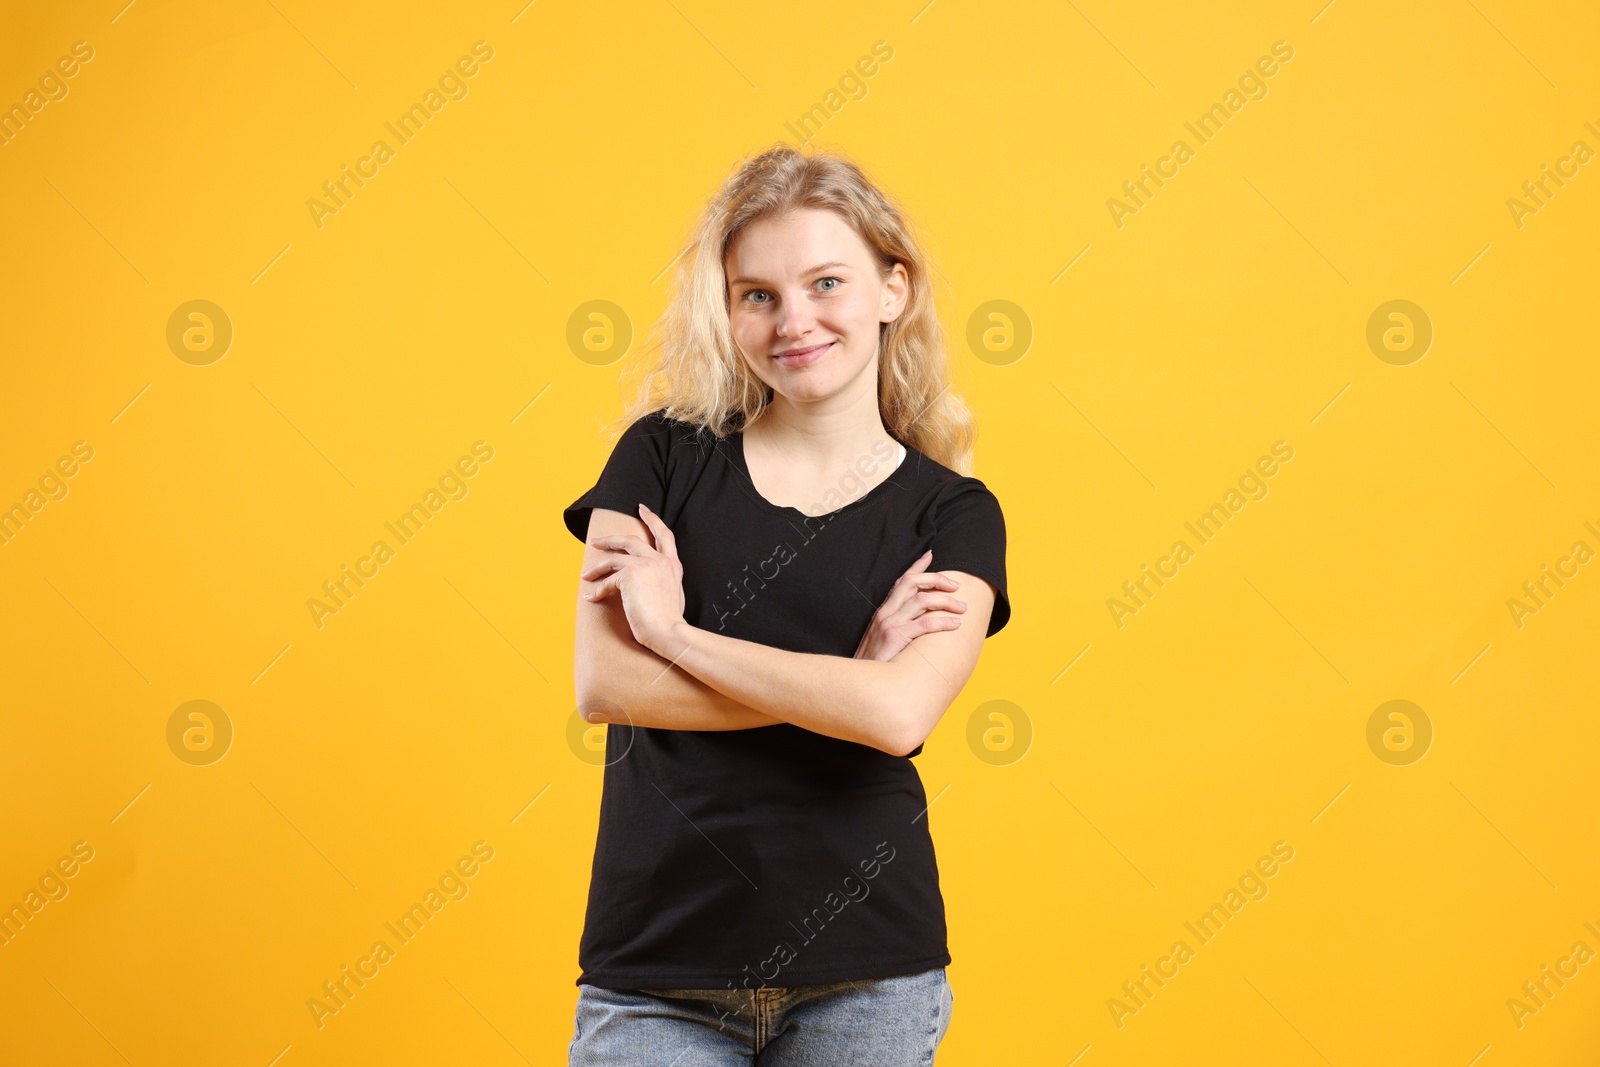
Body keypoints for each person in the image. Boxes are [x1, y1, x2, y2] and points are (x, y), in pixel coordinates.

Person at [561, 142, 1011, 1065]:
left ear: (894, 289)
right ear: (727, 312)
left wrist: (673, 635)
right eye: (756, 293)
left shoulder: (955, 515)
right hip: (656, 967)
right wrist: (845, 687)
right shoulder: (660, 457)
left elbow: (896, 714)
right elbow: (605, 681)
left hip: (867, 973)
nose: (792, 320)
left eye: (827, 283)